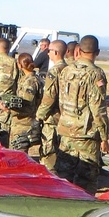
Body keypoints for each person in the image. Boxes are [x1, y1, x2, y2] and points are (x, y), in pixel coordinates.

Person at [54, 34, 108, 192]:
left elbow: (61, 101)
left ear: (79, 50)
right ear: (97, 52)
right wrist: (104, 137)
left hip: (66, 130)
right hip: (86, 135)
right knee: (86, 179)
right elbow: (98, 108)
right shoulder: (95, 74)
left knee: (63, 177)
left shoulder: (66, 71)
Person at [36, 39, 69, 170]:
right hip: (64, 117)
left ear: (55, 52)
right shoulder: (68, 70)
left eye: (49, 50)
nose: (47, 53)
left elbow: (49, 97)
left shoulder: (54, 71)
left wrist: (39, 116)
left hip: (52, 117)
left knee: (48, 154)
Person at [8, 51, 44, 156]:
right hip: (22, 122)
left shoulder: (30, 82)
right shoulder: (29, 79)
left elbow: (25, 104)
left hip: (24, 123)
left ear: (20, 65)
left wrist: (9, 108)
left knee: (18, 155)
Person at [0, 37, 19, 141]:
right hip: (6, 101)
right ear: (8, 48)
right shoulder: (14, 63)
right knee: (4, 133)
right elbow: (18, 83)